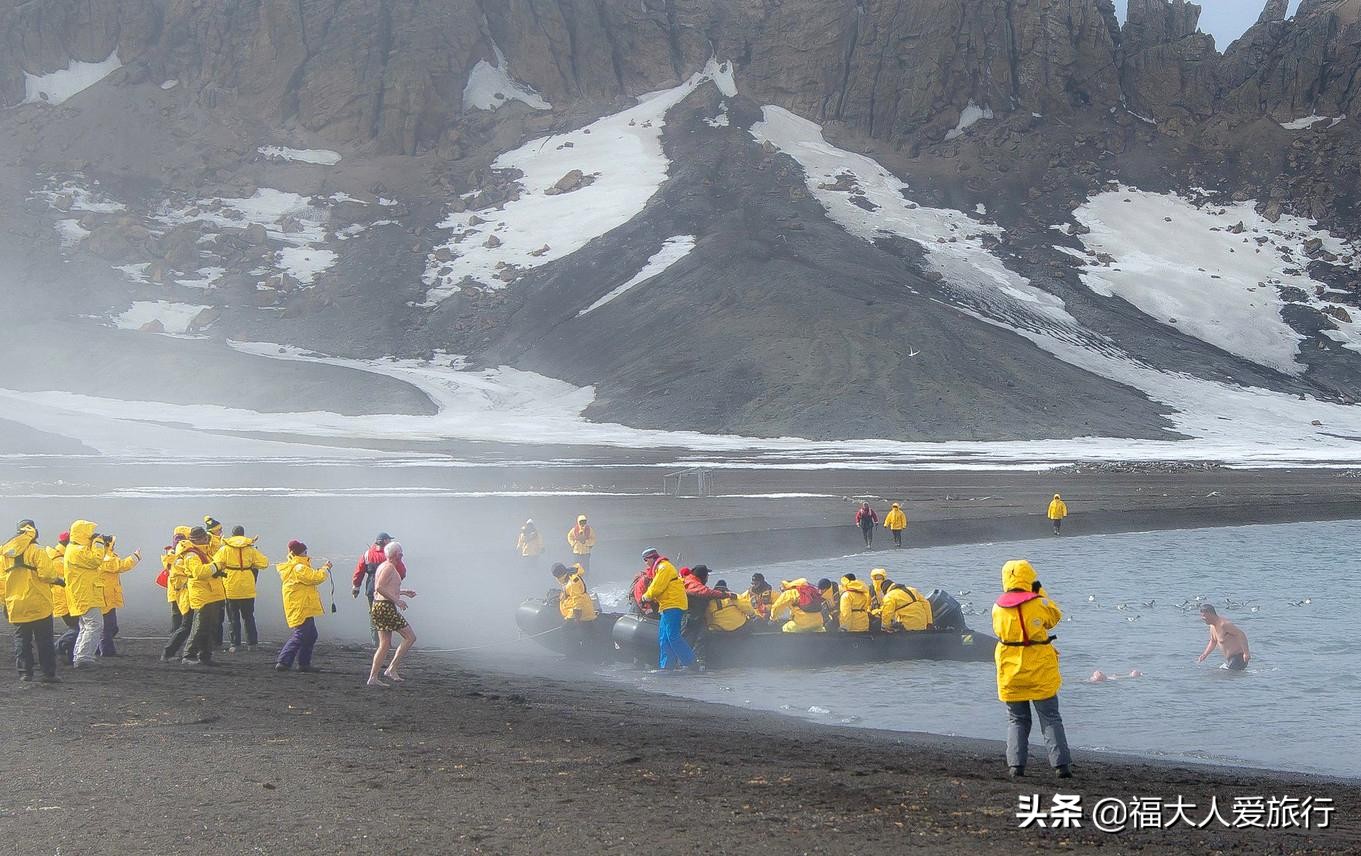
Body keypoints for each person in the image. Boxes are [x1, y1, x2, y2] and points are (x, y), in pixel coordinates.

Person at [992, 559, 1071, 779]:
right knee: (1050, 717)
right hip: (1039, 670)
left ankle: (1016, 766)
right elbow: (1054, 617)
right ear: (1030, 577)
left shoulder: (997, 608)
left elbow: (998, 631)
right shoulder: (1039, 603)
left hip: (1010, 671)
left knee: (1017, 719)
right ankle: (1061, 765)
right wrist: (1039, 591)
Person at [3, 520, 61, 683]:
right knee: (44, 640)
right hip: (39, 603)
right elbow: (47, 575)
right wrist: (57, 580)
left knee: (22, 640)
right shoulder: (37, 550)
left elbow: (1, 581)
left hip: (16, 604)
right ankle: (48, 674)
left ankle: (25, 673)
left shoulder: (5, 553)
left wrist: (4, 602)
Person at [276, 541, 331, 673]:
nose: (307, 554)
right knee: (302, 634)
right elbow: (315, 578)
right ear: (300, 553)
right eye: (305, 552)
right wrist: (325, 568)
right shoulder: (299, 568)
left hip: (302, 606)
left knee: (311, 634)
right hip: (301, 607)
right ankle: (283, 661)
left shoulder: (295, 567)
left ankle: (303, 663)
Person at [368, 542, 418, 687]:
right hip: (385, 607)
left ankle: (373, 677)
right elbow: (379, 587)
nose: (402, 555)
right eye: (400, 552)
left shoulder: (384, 566)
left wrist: (403, 592)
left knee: (384, 644)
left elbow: (386, 587)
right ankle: (391, 669)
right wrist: (397, 601)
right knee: (410, 637)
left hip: (379, 606)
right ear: (397, 554)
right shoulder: (389, 567)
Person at [214, 526, 269, 651]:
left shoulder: (225, 549)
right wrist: (251, 563)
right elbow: (264, 563)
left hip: (231, 585)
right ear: (243, 535)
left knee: (233, 617)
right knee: (249, 616)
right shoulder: (250, 549)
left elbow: (216, 564)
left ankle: (235, 645)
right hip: (247, 586)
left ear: (232, 535)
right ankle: (252, 644)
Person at [639, 547, 695, 671]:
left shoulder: (664, 567)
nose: (645, 563)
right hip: (666, 606)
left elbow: (656, 587)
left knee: (673, 636)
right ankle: (666, 667)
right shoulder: (660, 568)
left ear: (652, 558)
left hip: (674, 604)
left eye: (646, 560)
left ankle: (691, 663)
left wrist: (644, 597)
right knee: (664, 638)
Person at [63, 521, 109, 669]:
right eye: (90, 533)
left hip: (84, 594)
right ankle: (84, 658)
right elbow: (96, 560)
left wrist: (101, 544)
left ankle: (80, 656)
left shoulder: (75, 549)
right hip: (84, 595)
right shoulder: (76, 550)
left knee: (85, 626)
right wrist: (98, 543)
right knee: (94, 625)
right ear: (83, 534)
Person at [181, 526, 228, 666]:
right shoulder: (191, 555)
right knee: (200, 626)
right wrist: (217, 566)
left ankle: (205, 656)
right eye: (204, 537)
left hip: (211, 594)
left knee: (210, 627)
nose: (207, 539)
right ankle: (188, 655)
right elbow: (199, 573)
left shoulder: (204, 552)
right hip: (202, 595)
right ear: (197, 539)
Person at [95, 535, 140, 657]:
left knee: (111, 627)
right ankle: (106, 651)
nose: (114, 546)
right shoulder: (105, 558)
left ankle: (97, 647)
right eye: (112, 544)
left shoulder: (105, 556)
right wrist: (135, 557)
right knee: (109, 626)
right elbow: (121, 565)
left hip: (107, 596)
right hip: (105, 597)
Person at [680, 564, 731, 667]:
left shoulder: (688, 580)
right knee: (688, 640)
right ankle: (684, 663)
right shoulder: (693, 583)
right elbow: (705, 592)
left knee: (700, 639)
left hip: (698, 617)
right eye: (707, 575)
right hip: (691, 617)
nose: (708, 577)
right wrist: (726, 595)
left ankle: (698, 662)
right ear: (702, 575)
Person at [352, 533, 398, 645]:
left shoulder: (367, 554)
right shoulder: (391, 555)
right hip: (388, 590)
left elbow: (359, 572)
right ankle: (386, 643)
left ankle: (376, 642)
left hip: (371, 589)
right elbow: (402, 571)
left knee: (374, 615)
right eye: (389, 540)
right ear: (385, 541)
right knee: (387, 614)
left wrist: (356, 588)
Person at [161, 531, 198, 662]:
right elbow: (194, 573)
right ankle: (171, 652)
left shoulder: (175, 556)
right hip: (184, 595)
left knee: (184, 624)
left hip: (181, 594)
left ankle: (173, 651)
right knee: (185, 624)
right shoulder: (181, 558)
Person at [49, 531, 77, 666]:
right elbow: (70, 577)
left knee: (76, 627)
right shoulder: (59, 560)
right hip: (64, 600)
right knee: (77, 628)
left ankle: (71, 656)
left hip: (66, 599)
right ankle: (57, 647)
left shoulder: (59, 555)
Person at [1197, 604, 1250, 671]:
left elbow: (1241, 635)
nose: (1202, 618)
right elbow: (1213, 641)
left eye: (1203, 616)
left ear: (1210, 614)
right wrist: (1204, 654)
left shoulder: (1224, 624)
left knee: (1227, 675)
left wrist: (1246, 653)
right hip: (1231, 659)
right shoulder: (1212, 626)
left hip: (1239, 657)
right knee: (1224, 674)